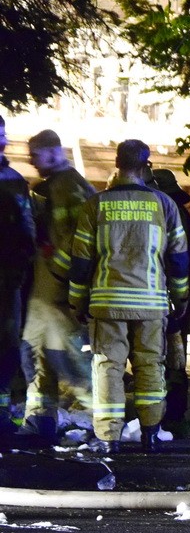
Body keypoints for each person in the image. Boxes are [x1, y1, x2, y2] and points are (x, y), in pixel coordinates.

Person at [68, 140, 190, 454]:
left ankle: (109, 439)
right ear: (146, 166)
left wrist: (77, 301)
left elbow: (81, 261)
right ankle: (150, 433)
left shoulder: (95, 205)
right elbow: (178, 259)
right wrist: (181, 298)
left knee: (108, 367)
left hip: (107, 304)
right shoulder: (164, 205)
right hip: (150, 304)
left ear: (117, 163)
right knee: (150, 366)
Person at [19, 129, 96, 442]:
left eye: (36, 155)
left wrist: (59, 269)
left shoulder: (70, 186)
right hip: (43, 294)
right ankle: (40, 422)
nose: (31, 161)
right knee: (38, 358)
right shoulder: (52, 186)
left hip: (59, 294)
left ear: (52, 153)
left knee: (73, 364)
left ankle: (104, 424)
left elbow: (82, 240)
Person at [147, 168, 190, 426]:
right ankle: (174, 413)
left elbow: (177, 258)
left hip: (167, 296)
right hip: (178, 296)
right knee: (175, 355)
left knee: (168, 357)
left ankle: (170, 415)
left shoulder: (169, 213)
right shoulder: (183, 214)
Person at [0, 115, 37, 438]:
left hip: (6, 279)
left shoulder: (13, 180)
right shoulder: (11, 179)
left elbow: (27, 234)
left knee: (6, 347)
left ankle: (3, 419)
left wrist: (19, 273)